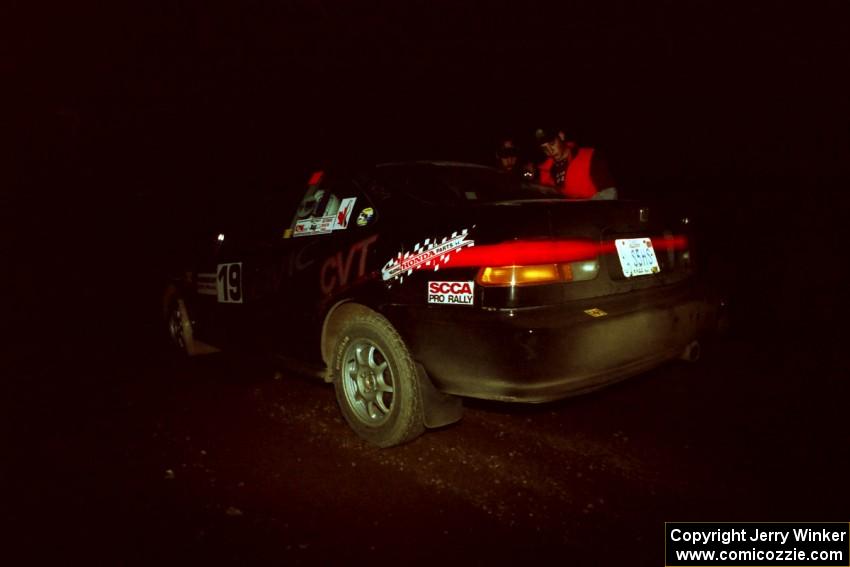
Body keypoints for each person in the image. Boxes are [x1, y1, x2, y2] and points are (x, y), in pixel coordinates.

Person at [534, 128, 617, 199]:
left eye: (552, 144)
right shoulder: (544, 171)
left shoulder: (590, 156)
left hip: (592, 215)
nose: (550, 151)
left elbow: (609, 193)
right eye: (544, 148)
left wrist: (587, 213)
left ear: (561, 136)